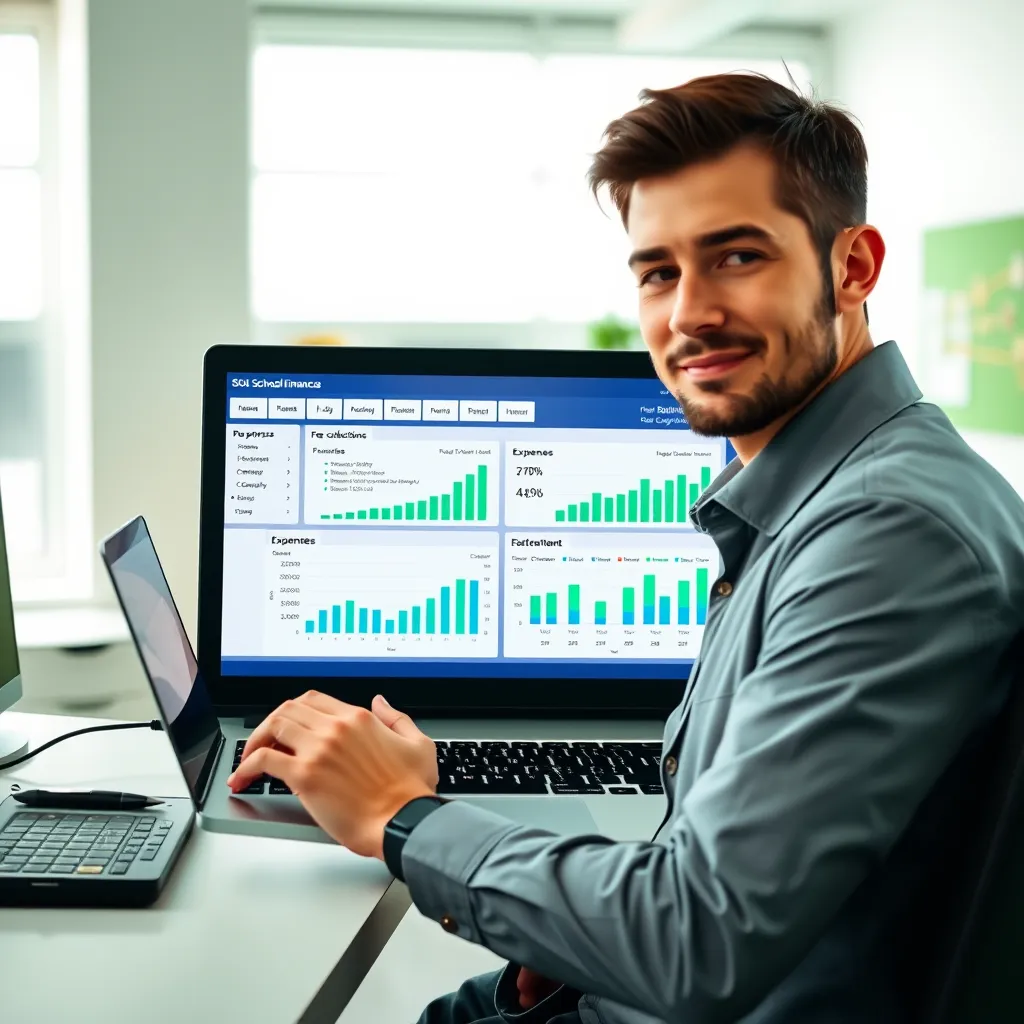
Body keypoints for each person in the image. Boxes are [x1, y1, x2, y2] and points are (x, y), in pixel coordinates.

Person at [228, 73, 1024, 1023]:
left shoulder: (886, 534)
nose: (688, 313)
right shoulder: (826, 500)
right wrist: (573, 950)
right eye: (658, 272)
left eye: (736, 256)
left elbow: (699, 941)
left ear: (852, 267)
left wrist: (399, 816)